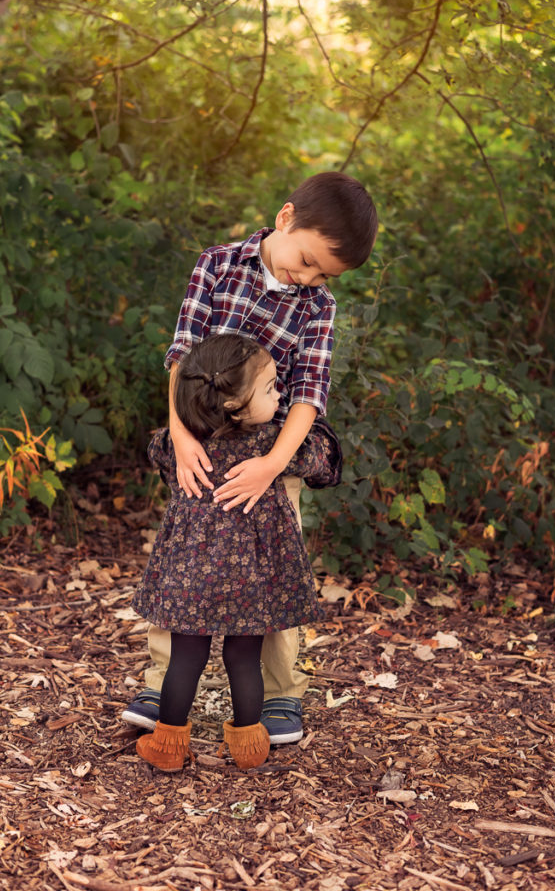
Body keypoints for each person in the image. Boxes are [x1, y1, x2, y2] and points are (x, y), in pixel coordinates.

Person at [122, 171, 378, 743]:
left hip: (271, 452)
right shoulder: (217, 265)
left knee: (277, 569)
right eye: (307, 259)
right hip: (203, 447)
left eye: (323, 274)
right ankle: (162, 682)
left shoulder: (318, 306)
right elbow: (182, 353)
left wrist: (273, 465)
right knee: (184, 562)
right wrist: (180, 434)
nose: (307, 276)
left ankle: (281, 693)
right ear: (286, 218)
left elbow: (310, 392)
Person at [133, 334, 342, 771]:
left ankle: (169, 745)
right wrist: (313, 437)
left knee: (185, 659)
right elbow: (321, 462)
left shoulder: (180, 448)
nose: (280, 394)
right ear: (234, 406)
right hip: (252, 582)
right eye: (270, 389)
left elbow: (155, 449)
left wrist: (178, 434)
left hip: (191, 579)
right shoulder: (272, 447)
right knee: (243, 658)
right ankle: (249, 746)